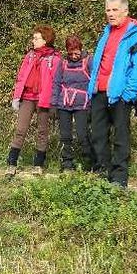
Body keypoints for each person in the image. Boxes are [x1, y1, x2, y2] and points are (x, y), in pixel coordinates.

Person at [87, 0, 137, 188]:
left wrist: (128, 95)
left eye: (115, 10)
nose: (111, 14)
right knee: (98, 134)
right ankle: (102, 170)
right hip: (100, 91)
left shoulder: (136, 35)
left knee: (121, 136)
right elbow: (100, 63)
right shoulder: (106, 32)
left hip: (121, 94)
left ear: (125, 11)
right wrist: (93, 86)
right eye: (108, 10)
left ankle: (119, 177)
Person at [6, 25, 61, 176]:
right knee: (20, 130)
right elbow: (21, 76)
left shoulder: (55, 59)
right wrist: (16, 96)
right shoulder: (30, 56)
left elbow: (57, 82)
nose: (33, 41)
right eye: (34, 38)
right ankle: (11, 163)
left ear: (45, 40)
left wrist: (55, 102)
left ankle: (38, 165)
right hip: (28, 97)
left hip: (44, 99)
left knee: (42, 131)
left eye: (36, 38)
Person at [50, 36, 95, 173]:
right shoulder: (63, 64)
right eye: (71, 53)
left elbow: (94, 83)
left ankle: (91, 163)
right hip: (64, 103)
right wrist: (53, 104)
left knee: (83, 135)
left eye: (77, 53)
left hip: (82, 104)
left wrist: (93, 104)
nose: (74, 56)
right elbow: (57, 83)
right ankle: (67, 164)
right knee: (65, 136)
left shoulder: (89, 61)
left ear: (81, 50)